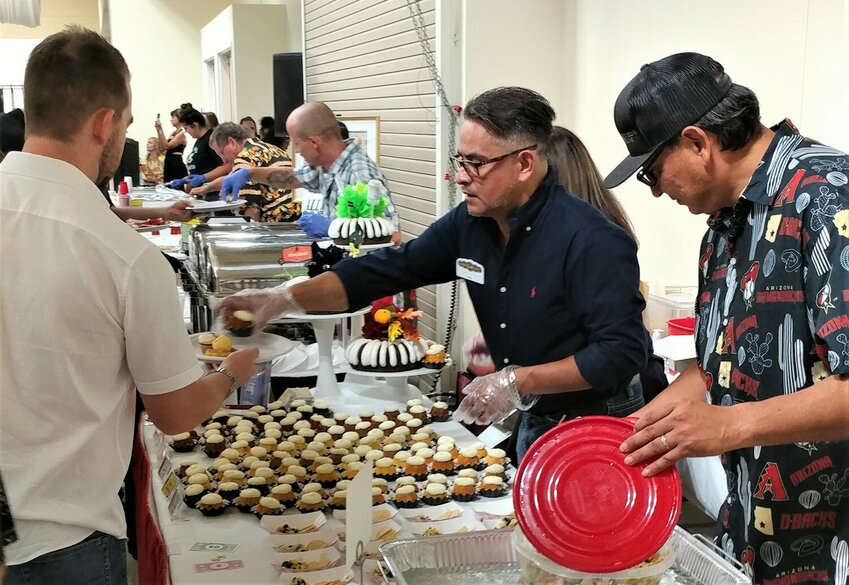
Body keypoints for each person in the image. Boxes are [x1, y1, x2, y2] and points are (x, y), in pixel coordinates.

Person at [218, 87, 650, 461]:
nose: (461, 178)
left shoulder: (591, 238)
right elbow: (387, 269)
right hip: (535, 412)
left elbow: (620, 353)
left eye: (476, 164)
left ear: (524, 164)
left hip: (599, 419)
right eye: (458, 160)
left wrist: (516, 379)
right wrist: (285, 298)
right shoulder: (470, 223)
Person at [0, 27, 258, 585]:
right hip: (64, 538)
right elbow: (175, 412)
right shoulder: (127, 261)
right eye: (128, 121)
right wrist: (231, 373)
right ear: (102, 122)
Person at [608, 52, 849, 583]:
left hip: (829, 545)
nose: (654, 190)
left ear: (697, 142)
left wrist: (729, 425)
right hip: (751, 531)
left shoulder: (829, 197)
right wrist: (632, 435)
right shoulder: (724, 225)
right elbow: (715, 366)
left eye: (652, 170)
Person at [221, 102, 401, 243]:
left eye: (297, 143)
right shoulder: (327, 166)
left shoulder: (359, 173)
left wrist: (333, 228)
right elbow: (292, 178)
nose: (297, 151)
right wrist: (249, 173)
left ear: (314, 142)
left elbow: (391, 235)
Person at [190, 122, 300, 222]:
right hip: (296, 219)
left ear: (231, 142)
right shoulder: (273, 149)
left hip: (275, 226)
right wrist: (206, 188)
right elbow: (232, 178)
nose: (223, 160)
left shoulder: (244, 158)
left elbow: (252, 211)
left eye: (222, 154)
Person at [172, 104, 232, 200]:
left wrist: (203, 178)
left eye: (186, 128)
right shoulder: (199, 141)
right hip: (201, 192)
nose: (186, 132)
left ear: (195, 125)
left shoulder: (211, 139)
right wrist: (185, 180)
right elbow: (200, 169)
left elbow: (227, 166)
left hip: (214, 193)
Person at [154, 107, 187, 182]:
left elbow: (167, 146)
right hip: (169, 161)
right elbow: (162, 147)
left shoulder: (181, 133)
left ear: (179, 118)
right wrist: (158, 130)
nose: (171, 119)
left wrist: (161, 129)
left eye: (173, 117)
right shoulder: (173, 133)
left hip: (176, 162)